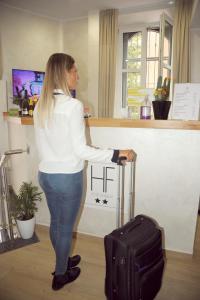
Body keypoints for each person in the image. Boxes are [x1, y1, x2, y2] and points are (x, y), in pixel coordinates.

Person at [33, 53, 135, 291]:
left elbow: (57, 137)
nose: (77, 75)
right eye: (74, 71)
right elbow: (81, 150)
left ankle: (63, 260)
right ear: (64, 73)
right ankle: (60, 275)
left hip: (46, 176)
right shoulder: (72, 106)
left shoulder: (41, 104)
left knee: (57, 224)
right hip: (67, 178)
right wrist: (116, 153)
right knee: (65, 227)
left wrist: (81, 113)